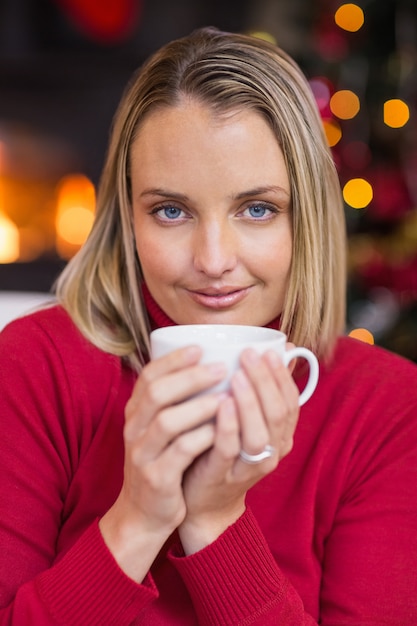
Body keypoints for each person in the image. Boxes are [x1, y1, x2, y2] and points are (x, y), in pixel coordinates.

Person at [0, 26, 416, 626]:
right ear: (127, 218)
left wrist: (215, 520)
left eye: (257, 209)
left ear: (307, 219)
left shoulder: (385, 408)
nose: (214, 260)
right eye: (171, 211)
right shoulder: (37, 365)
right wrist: (138, 517)